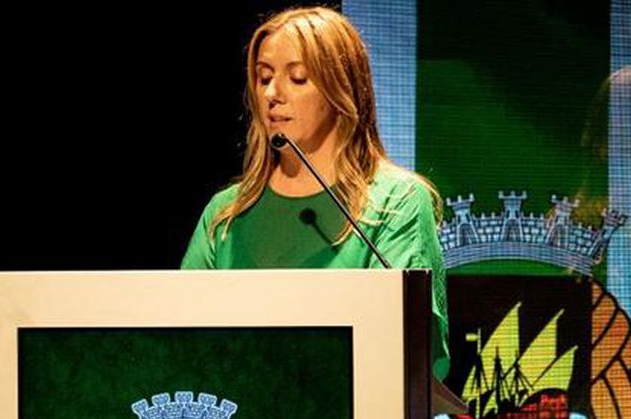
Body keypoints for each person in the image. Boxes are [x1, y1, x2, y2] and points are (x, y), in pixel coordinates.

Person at [180, 7, 451, 383]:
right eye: (264, 77)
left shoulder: (396, 202)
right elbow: (183, 343)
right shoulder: (225, 213)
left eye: (298, 78)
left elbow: (408, 348)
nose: (272, 94)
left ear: (341, 89)